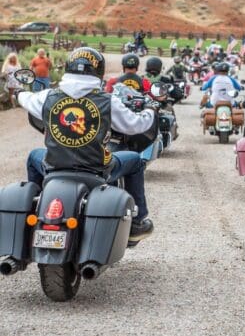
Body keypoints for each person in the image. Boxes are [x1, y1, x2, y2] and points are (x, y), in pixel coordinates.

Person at [16, 47, 156, 245]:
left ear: (68, 68)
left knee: (33, 157)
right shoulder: (108, 101)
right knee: (134, 160)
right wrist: (150, 109)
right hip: (97, 168)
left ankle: (37, 207)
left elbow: (24, 98)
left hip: (54, 167)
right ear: (98, 71)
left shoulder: (47, 97)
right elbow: (136, 125)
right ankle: (136, 222)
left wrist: (19, 92)